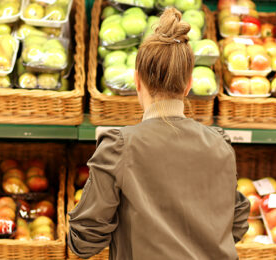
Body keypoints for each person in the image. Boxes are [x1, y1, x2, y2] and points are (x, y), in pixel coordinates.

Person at [68, 8, 249, 259]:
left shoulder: (118, 147)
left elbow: (84, 240)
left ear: (137, 82)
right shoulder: (220, 143)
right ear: (189, 85)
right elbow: (237, 224)